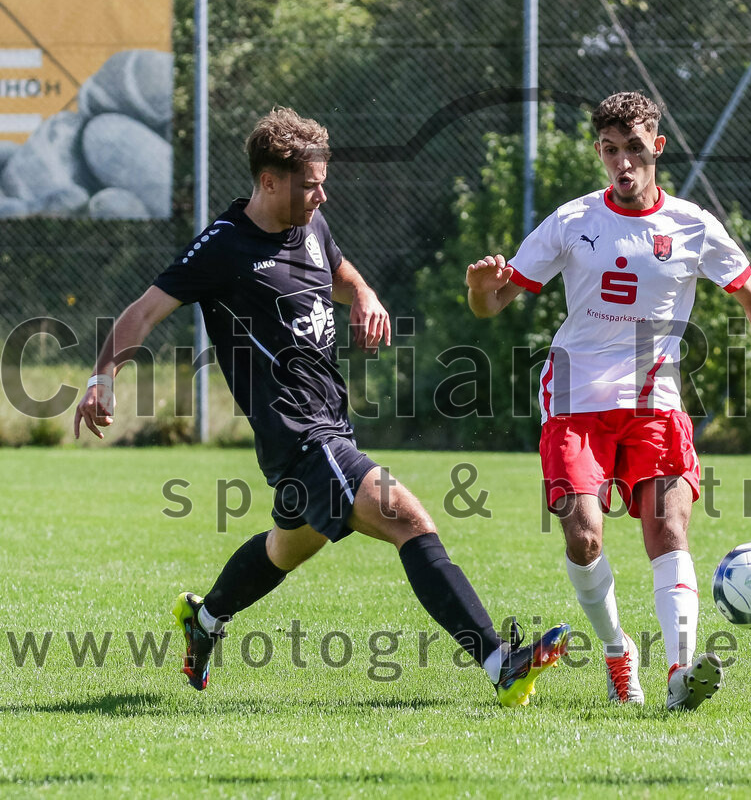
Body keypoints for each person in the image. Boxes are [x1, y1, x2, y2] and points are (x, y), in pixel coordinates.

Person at [74, 106, 569, 707]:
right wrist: (103, 377)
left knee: (286, 548)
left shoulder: (311, 226)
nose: (321, 194)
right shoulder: (225, 248)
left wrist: (363, 295)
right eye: (310, 184)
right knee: (407, 518)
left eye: (321, 181)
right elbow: (143, 312)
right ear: (268, 181)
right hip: (300, 437)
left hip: (332, 425)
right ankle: (498, 661)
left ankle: (205, 620)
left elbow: (337, 270)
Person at [465, 91, 751, 711]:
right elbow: (494, 303)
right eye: (610, 151)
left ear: (658, 148)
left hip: (655, 406)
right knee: (584, 539)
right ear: (599, 151)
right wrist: (479, 289)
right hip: (574, 403)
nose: (623, 163)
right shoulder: (572, 221)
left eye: (635, 150)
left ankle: (679, 675)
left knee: (668, 530)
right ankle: (619, 653)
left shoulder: (693, 226)